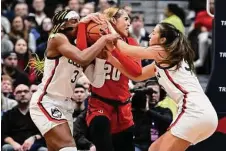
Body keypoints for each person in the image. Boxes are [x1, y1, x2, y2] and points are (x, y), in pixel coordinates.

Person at [107, 22, 218, 151]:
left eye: (154, 33)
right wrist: (112, 59)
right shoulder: (164, 59)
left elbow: (127, 50)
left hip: (193, 110)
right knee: (154, 149)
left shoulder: (163, 51)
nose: (149, 35)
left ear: (163, 40)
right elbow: (137, 76)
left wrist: (110, 27)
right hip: (204, 114)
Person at [29, 10, 119, 151]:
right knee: (69, 148)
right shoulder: (56, 38)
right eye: (74, 20)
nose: (79, 23)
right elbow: (82, 58)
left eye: (79, 20)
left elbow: (97, 82)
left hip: (66, 106)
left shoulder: (81, 48)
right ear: (62, 25)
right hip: (46, 101)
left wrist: (101, 59)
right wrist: (103, 40)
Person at [85, 7, 142, 151]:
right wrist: (81, 25)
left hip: (123, 109)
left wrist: (114, 51)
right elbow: (81, 55)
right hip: (100, 105)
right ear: (113, 21)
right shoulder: (96, 42)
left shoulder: (132, 43)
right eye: (126, 19)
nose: (129, 23)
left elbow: (136, 72)